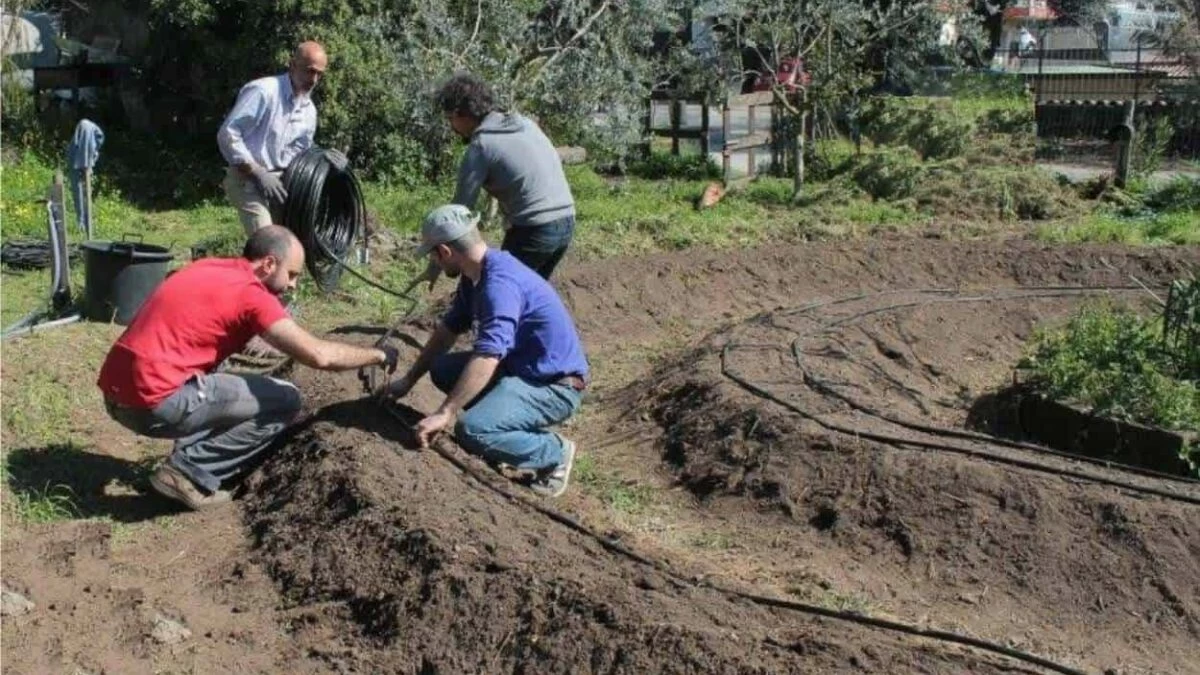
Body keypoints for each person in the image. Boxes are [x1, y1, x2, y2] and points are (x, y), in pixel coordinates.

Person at [97, 226, 398, 510]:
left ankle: (186, 454)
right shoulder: (252, 295)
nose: (293, 285)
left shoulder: (208, 267)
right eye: (292, 274)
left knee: (226, 382)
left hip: (116, 394)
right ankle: (187, 472)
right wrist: (379, 355)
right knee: (286, 398)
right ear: (269, 264)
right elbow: (319, 356)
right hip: (154, 403)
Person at [384, 204, 588, 497]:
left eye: (433, 255)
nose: (434, 262)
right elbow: (447, 331)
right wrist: (408, 380)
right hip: (520, 370)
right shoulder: (474, 276)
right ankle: (498, 426)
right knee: (442, 369)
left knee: (472, 430)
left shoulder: (499, 285)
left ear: (445, 251)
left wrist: (445, 412)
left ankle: (554, 453)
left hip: (552, 386)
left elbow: (489, 355)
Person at [435, 72, 576, 279]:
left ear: (460, 113)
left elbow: (459, 214)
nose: (451, 126)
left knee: (499, 286)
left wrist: (439, 262)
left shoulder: (481, 146)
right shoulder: (525, 124)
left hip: (535, 228)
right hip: (567, 221)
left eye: (450, 119)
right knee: (530, 290)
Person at [217, 41, 333, 236]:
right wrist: (258, 173)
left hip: (281, 183)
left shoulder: (308, 110)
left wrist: (324, 157)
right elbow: (228, 134)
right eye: (310, 71)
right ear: (293, 65)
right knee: (269, 242)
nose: (313, 80)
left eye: (319, 74)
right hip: (246, 179)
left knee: (292, 241)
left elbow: (301, 151)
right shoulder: (264, 91)